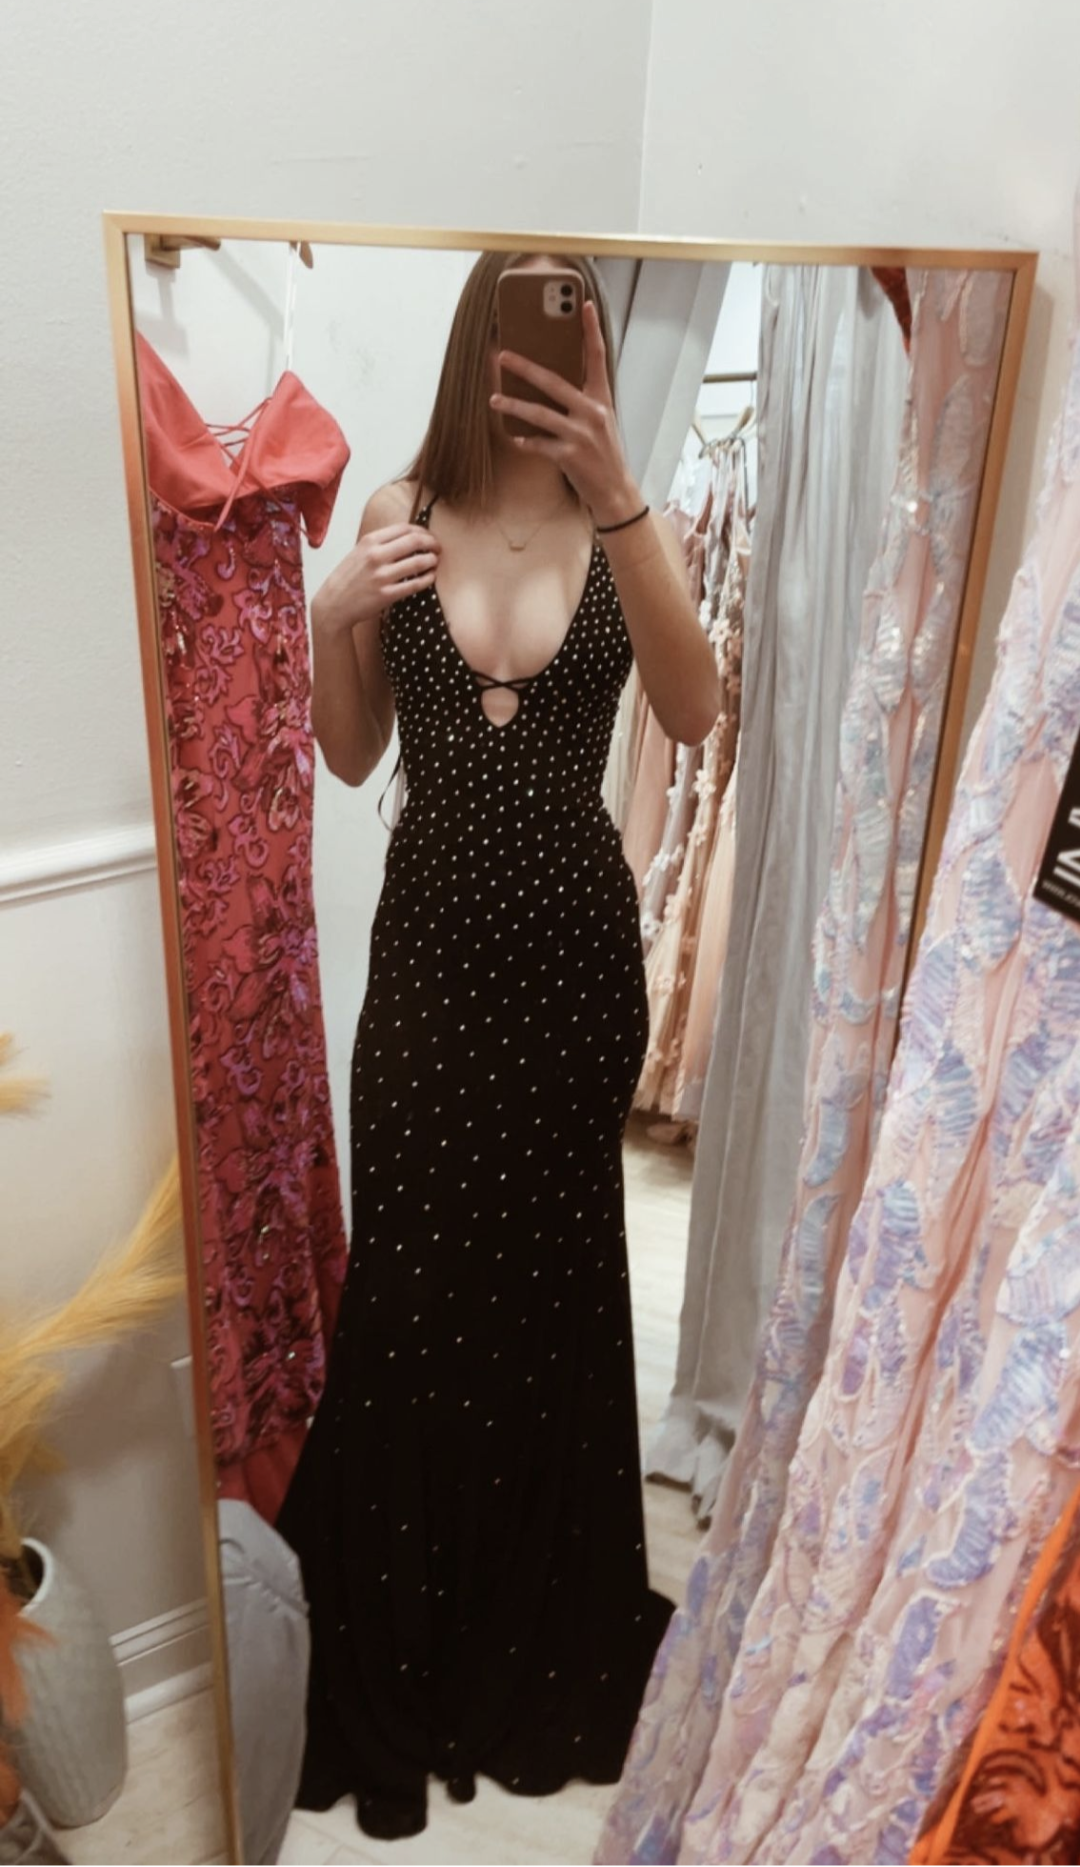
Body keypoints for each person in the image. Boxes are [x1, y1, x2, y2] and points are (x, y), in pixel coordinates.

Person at [275, 250, 721, 1839]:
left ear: (593, 343)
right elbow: (351, 756)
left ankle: (537, 1626)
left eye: (573, 305)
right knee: (411, 1287)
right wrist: (330, 615)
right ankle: (407, 1626)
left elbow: (695, 708)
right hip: (429, 974)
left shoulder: (631, 519)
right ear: (481, 330)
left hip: (573, 976)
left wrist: (622, 494)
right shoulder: (399, 510)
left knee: (548, 1290)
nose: (549, 327)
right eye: (524, 300)